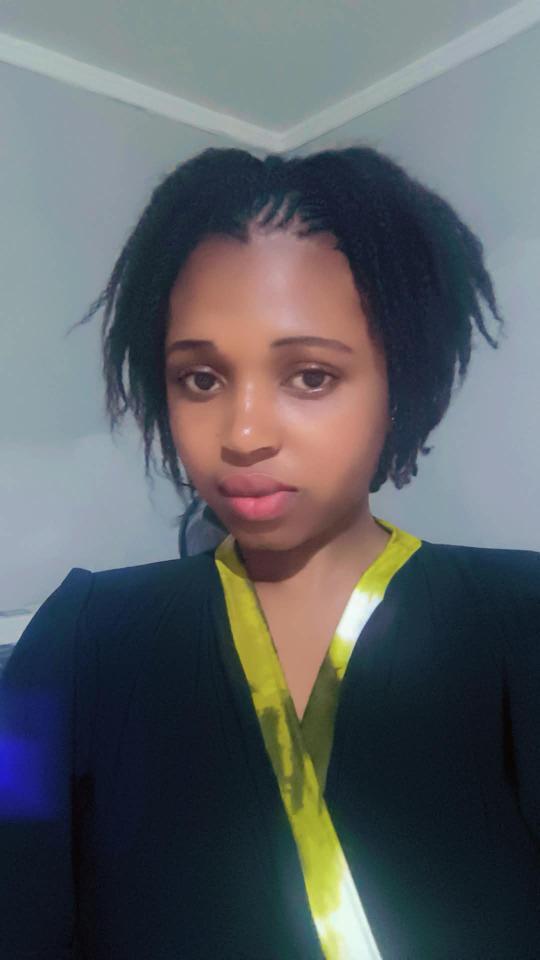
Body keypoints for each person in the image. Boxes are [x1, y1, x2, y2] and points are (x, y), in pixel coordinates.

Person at [0, 145, 538, 960]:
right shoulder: (77, 640)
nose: (244, 434)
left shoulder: (521, 618)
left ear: (402, 385)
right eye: (201, 379)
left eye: (310, 376)